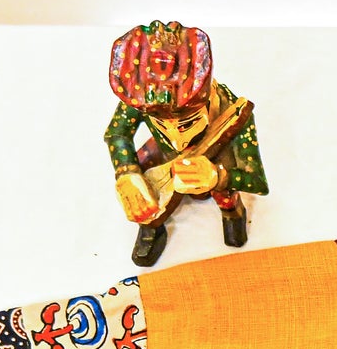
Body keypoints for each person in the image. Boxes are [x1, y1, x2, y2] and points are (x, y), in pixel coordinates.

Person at [105, 21, 269, 265]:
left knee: (225, 192)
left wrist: (218, 177)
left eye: (186, 124)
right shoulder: (142, 102)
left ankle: (231, 213)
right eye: (162, 125)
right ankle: (151, 225)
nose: (175, 137)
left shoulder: (233, 111)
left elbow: (257, 181)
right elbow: (116, 134)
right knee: (141, 179)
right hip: (165, 157)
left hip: (213, 156)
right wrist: (127, 172)